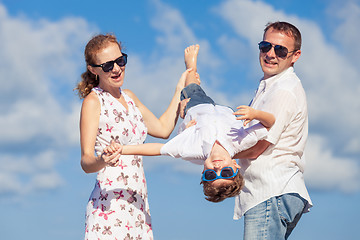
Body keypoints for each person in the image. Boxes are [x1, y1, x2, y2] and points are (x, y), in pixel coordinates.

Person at [106, 44, 275, 203]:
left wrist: (122, 149)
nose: (217, 168)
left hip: (196, 106)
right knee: (195, 104)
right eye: (225, 172)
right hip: (223, 110)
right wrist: (256, 114)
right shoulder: (241, 142)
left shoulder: (193, 149)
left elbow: (158, 149)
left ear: (203, 171)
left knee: (191, 85)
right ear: (235, 165)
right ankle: (186, 103)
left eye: (210, 174)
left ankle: (190, 67)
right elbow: (270, 123)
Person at [75, 34, 185, 240]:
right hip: (109, 206)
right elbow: (86, 161)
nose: (116, 69)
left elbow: (162, 129)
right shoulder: (94, 101)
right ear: (93, 69)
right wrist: (101, 160)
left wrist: (180, 89)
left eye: (120, 61)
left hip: (138, 204)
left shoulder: (130, 97)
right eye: (107, 66)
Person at [232, 21, 313, 240]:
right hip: (274, 192)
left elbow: (259, 146)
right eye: (265, 46)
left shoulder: (283, 90)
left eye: (280, 49)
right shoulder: (270, 85)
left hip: (271, 191)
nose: (270, 54)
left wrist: (221, 154)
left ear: (295, 56)